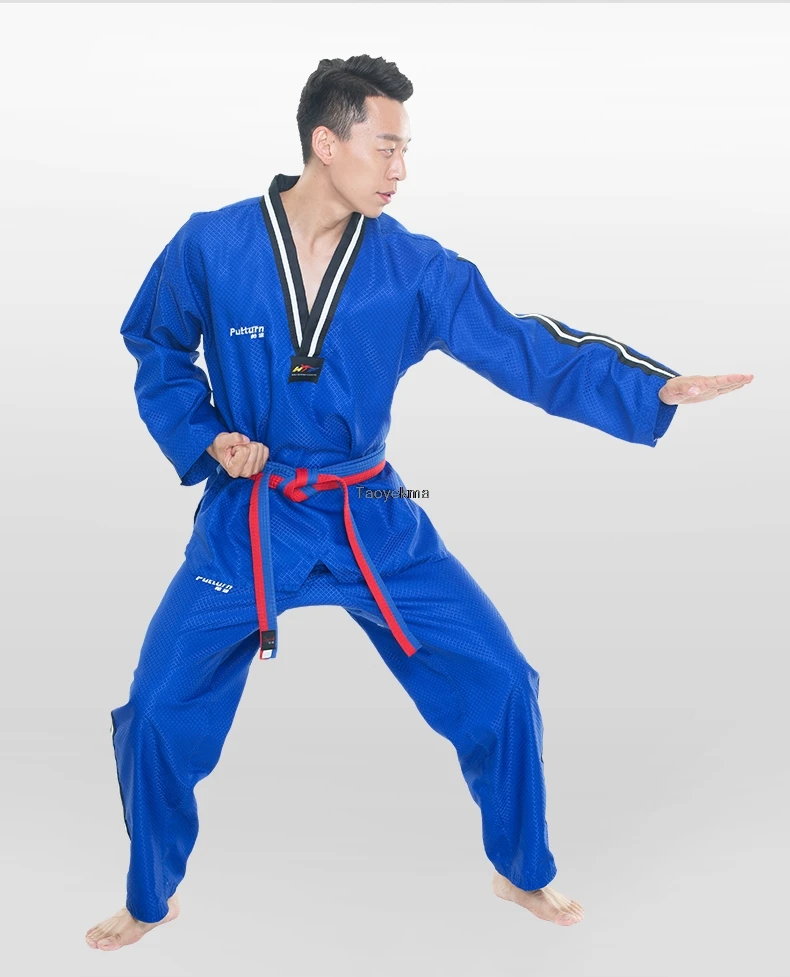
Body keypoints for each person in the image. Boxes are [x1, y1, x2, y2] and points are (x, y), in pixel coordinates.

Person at [85, 54, 753, 952]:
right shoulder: (212, 243)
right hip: (252, 514)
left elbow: (521, 345)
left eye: (407, 150)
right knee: (159, 705)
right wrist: (208, 435)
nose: (402, 169)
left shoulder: (414, 267)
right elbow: (156, 344)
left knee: (502, 678)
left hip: (371, 512)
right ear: (327, 143)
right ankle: (150, 894)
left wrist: (651, 386)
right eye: (387, 146)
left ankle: (521, 867)